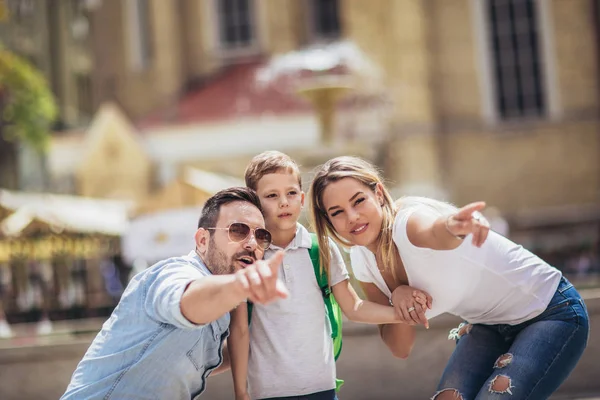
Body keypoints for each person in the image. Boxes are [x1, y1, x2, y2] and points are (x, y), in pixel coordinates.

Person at [309, 156, 589, 400]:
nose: (353, 217)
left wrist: (453, 226)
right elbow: (400, 346)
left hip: (550, 310)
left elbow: (435, 232)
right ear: (329, 221)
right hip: (488, 325)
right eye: (338, 212)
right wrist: (397, 294)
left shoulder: (409, 223)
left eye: (359, 201)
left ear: (379, 194)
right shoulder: (362, 260)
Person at [228, 151, 430, 400]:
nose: (284, 202)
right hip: (266, 393)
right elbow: (239, 330)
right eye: (271, 196)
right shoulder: (246, 258)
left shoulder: (320, 249)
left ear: (302, 199)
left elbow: (354, 307)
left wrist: (404, 315)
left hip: (323, 389)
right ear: (254, 204)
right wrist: (240, 391)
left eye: (291, 193)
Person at [61, 187, 289, 400]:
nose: (252, 243)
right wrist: (243, 284)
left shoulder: (222, 305)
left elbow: (199, 358)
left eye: (261, 236)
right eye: (238, 230)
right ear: (202, 241)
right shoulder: (173, 273)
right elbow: (186, 299)